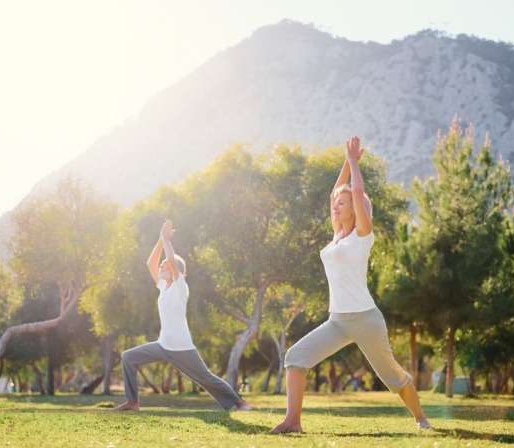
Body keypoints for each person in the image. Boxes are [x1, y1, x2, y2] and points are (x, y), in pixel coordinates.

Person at [270, 136, 431, 433]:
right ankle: (293, 422)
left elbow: (357, 191)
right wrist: (346, 161)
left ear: (357, 209)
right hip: (337, 321)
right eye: (336, 204)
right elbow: (337, 192)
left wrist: (355, 165)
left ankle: (421, 417)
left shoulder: (362, 235)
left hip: (366, 320)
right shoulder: (336, 236)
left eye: (343, 204)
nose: (335, 206)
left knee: (392, 376)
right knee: (296, 357)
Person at [114, 219, 252, 412]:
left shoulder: (180, 287)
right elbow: (150, 262)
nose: (161, 267)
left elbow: (170, 260)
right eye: (162, 265)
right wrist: (161, 240)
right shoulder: (164, 287)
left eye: (164, 265)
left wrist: (167, 240)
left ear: (173, 269)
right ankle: (132, 402)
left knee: (205, 378)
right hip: (163, 345)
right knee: (128, 357)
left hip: (182, 347)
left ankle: (240, 403)